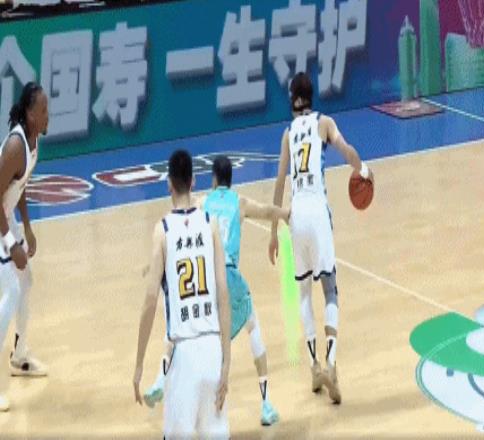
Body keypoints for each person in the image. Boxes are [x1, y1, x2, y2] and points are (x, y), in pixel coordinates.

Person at [144, 155, 289, 426]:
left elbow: (179, 232)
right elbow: (268, 211)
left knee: (176, 333)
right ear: (230, 179)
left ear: (212, 179)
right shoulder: (239, 202)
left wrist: (154, 264)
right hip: (230, 277)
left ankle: (159, 380)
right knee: (253, 329)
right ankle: (266, 404)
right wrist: (286, 215)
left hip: (208, 280)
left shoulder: (202, 203)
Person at [268, 72, 374, 404]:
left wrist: (273, 231)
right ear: (311, 96)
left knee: (303, 292)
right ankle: (331, 364)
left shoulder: (288, 133)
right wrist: (363, 170)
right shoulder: (324, 123)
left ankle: (314, 366)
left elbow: (280, 182)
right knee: (330, 289)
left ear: (292, 98)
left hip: (295, 215)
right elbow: (346, 151)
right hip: (317, 211)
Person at [133, 149, 231, 439]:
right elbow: (223, 294)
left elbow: (150, 301)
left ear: (169, 184)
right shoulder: (210, 224)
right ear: (193, 181)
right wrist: (226, 362)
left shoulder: (163, 230)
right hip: (213, 349)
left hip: (183, 354)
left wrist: (139, 364)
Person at [0, 82, 49, 412]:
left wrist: (27, 228)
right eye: (43, 110)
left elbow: (20, 185)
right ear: (30, 115)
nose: (48, 115)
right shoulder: (16, 146)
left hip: (6, 218)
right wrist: (10, 243)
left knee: (25, 279)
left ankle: (20, 356)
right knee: (11, 292)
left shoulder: (33, 142)